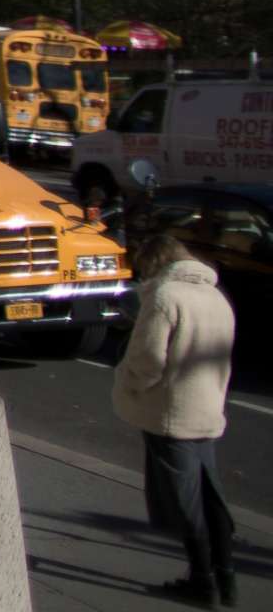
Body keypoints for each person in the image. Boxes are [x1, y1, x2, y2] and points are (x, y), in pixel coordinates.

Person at [114, 217, 238, 607]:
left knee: (185, 501)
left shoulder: (165, 297)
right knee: (210, 495)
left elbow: (148, 358)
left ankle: (201, 580)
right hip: (208, 408)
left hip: (172, 410)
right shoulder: (216, 297)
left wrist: (131, 385)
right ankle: (226, 577)